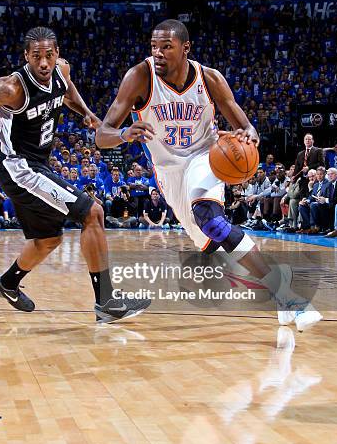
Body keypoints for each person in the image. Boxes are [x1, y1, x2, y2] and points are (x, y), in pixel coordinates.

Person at [96, 19, 322, 332]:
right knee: (210, 242)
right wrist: (123, 134)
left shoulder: (210, 79)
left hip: (206, 156)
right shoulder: (139, 77)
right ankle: (278, 288)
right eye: (153, 47)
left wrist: (249, 137)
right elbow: (101, 135)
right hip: (169, 170)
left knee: (211, 220)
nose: (158, 53)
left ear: (186, 48)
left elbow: (246, 125)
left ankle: (289, 297)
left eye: (166, 47)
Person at [0, 26, 149, 324]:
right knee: (93, 212)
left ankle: (7, 283)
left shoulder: (61, 71)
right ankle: (106, 301)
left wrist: (87, 114)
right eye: (36, 56)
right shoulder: (10, 89)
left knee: (48, 239)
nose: (43, 63)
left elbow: (67, 90)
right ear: (26, 56)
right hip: (19, 168)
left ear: (57, 55)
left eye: (49, 56)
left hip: (37, 166)